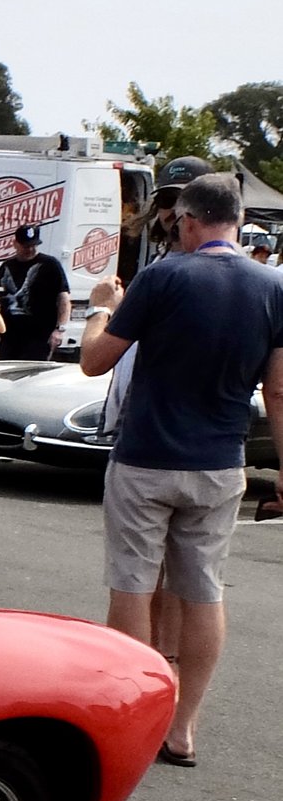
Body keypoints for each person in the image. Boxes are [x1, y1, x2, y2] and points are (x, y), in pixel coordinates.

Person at [77, 171, 283, 766]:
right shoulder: (272, 288)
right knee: (203, 591)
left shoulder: (163, 275)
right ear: (238, 223)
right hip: (219, 461)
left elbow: (95, 362)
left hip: (146, 456)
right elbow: (279, 390)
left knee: (133, 587)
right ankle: (183, 728)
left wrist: (100, 310)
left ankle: (132, 717)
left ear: (188, 221)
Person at [0, 223, 71, 362]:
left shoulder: (49, 265)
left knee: (31, 374)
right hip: (10, 336)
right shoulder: (6, 267)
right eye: (26, 246)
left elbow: (63, 298)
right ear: (15, 244)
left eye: (33, 245)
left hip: (39, 336)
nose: (30, 249)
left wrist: (60, 329)